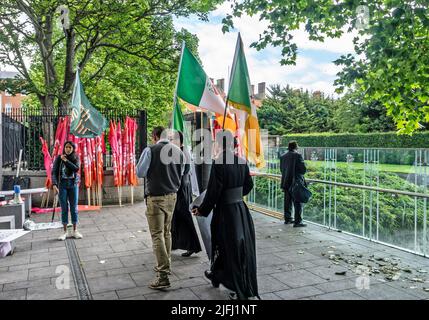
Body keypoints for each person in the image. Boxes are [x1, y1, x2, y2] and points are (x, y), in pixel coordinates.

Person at [192, 130, 259, 300]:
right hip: (241, 211)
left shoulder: (219, 162)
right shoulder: (242, 161)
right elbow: (248, 186)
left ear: (219, 144)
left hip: (226, 213)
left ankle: (236, 287)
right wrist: (235, 195)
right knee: (235, 246)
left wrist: (202, 209)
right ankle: (216, 274)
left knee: (226, 246)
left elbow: (214, 191)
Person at [136, 126, 184, 290]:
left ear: (155, 136)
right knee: (166, 232)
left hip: (155, 197)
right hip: (172, 196)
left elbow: (140, 172)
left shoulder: (150, 150)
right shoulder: (178, 151)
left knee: (157, 235)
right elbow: (183, 171)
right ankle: (166, 262)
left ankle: (163, 274)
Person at [170, 131, 201, 257]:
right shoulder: (179, 151)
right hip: (180, 186)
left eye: (172, 139)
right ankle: (175, 243)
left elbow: (185, 170)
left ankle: (193, 245)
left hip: (182, 187)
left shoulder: (183, 152)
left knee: (184, 215)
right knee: (175, 215)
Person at [52, 141, 82, 240]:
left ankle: (75, 231)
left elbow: (76, 169)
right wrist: (54, 184)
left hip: (73, 185)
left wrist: (66, 161)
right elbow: (54, 172)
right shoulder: (59, 158)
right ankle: (64, 232)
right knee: (64, 208)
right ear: (64, 148)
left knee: (74, 208)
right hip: (62, 185)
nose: (68, 149)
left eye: (70, 147)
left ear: (73, 149)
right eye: (66, 147)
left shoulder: (76, 157)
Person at [280, 140, 307, 227]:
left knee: (287, 202)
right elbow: (303, 170)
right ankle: (298, 221)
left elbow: (282, 169)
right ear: (296, 147)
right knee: (297, 202)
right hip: (296, 182)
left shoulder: (283, 156)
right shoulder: (298, 156)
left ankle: (287, 219)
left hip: (286, 182)